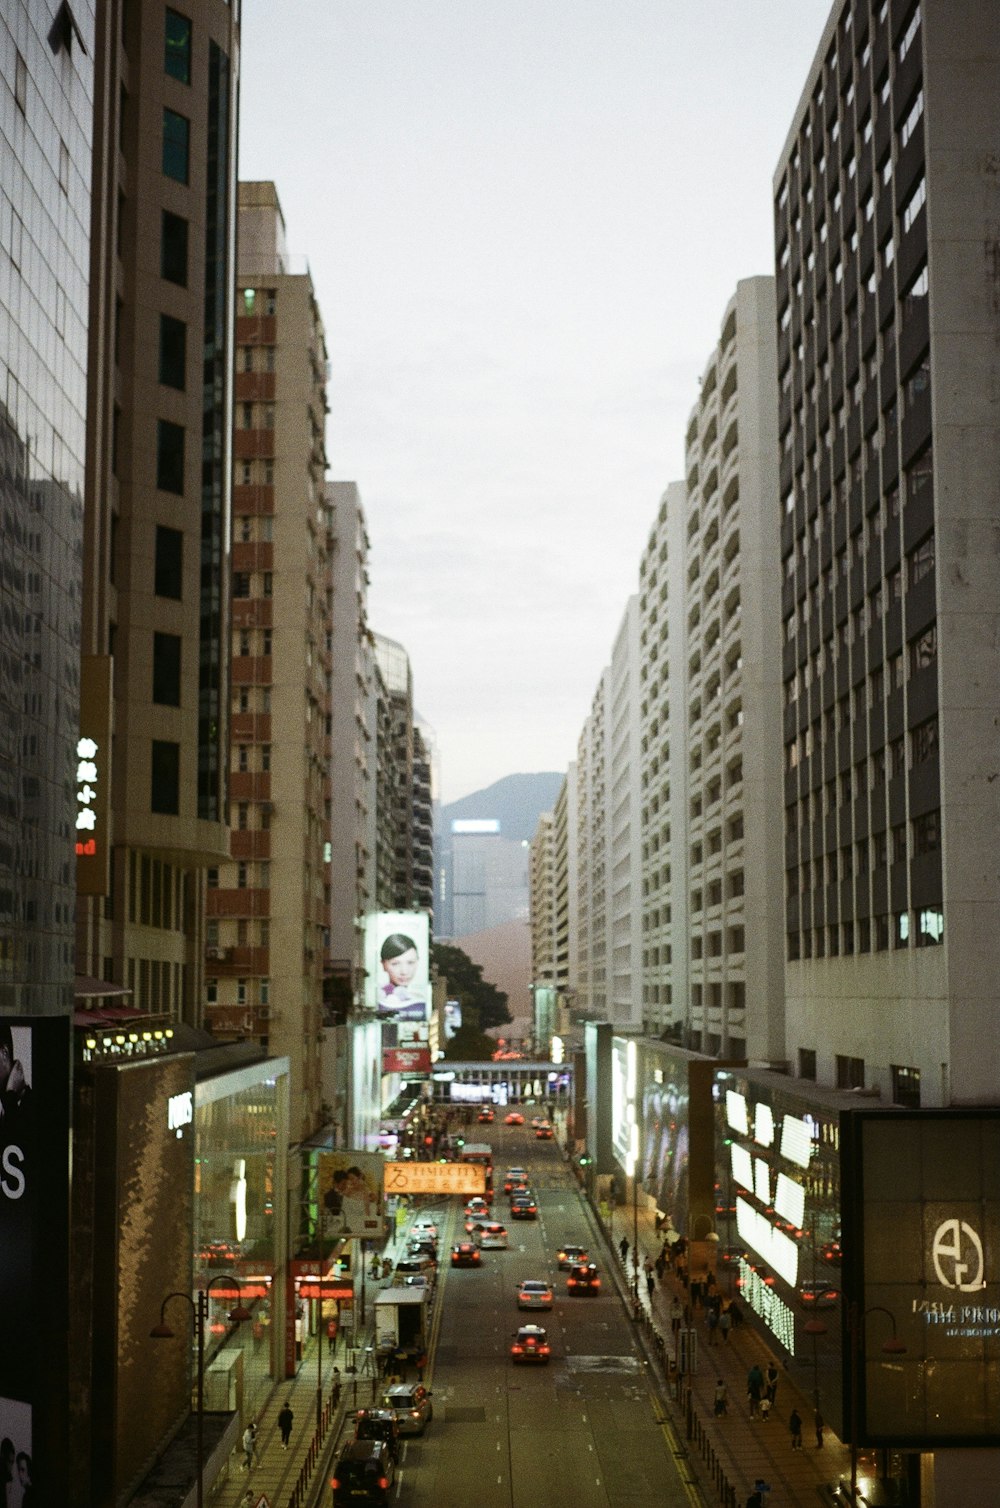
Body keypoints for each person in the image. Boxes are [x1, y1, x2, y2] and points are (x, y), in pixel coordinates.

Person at [376, 934, 427, 1018]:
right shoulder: (378, 996)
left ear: (417, 962)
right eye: (395, 964)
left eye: (410, 962)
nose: (404, 971)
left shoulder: (421, 997)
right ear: (383, 964)